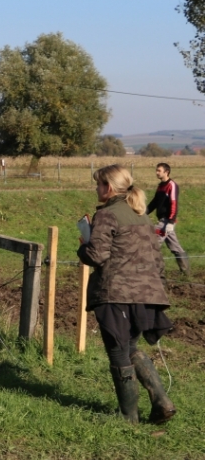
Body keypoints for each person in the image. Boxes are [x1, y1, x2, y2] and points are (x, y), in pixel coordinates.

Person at [77, 164, 176, 424]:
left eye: (98, 184)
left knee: (118, 352)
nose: (96, 188)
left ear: (108, 188)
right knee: (131, 346)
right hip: (147, 293)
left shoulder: (108, 214)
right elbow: (157, 258)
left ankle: (128, 417)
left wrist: (83, 248)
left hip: (116, 293)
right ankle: (162, 400)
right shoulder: (141, 214)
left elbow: (97, 255)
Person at [146, 162, 190, 276]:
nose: (156, 172)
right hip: (162, 220)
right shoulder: (160, 186)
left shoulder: (172, 185)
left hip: (166, 221)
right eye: (156, 170)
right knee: (175, 246)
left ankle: (158, 275)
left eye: (159, 170)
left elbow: (173, 204)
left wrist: (170, 222)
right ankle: (186, 272)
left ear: (166, 172)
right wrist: (144, 212)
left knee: (153, 244)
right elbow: (155, 202)